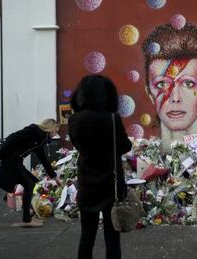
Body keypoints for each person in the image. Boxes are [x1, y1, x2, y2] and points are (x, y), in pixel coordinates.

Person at [68, 75, 132, 259]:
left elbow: (78, 145)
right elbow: (125, 146)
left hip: (87, 183)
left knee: (87, 235)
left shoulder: (75, 120)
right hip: (110, 185)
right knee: (112, 237)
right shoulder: (112, 119)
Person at [142, 22, 197, 152]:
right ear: (149, 94)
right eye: (162, 84)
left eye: (188, 83)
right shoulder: (137, 162)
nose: (175, 97)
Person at [0, 119, 61, 227]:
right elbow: (12, 138)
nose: (56, 133)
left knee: (32, 182)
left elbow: (42, 158)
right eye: (56, 130)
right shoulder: (33, 131)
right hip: (11, 160)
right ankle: (26, 220)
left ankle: (28, 217)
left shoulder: (41, 138)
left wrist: (54, 176)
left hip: (17, 161)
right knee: (29, 184)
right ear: (51, 128)